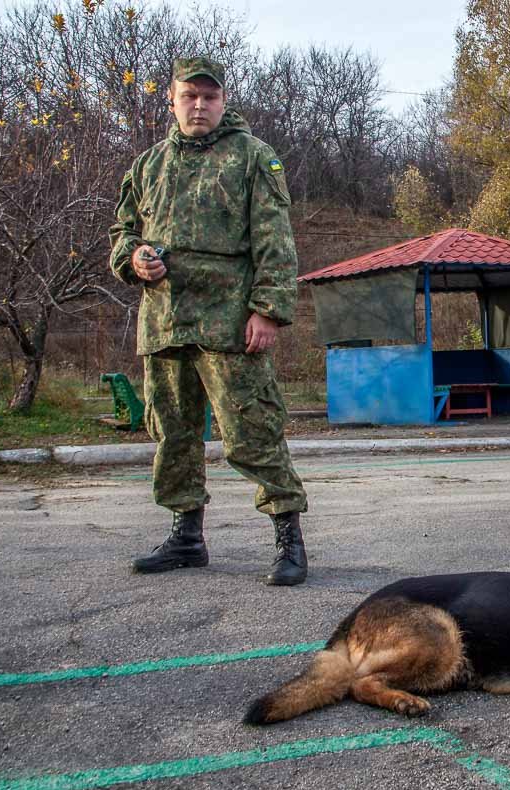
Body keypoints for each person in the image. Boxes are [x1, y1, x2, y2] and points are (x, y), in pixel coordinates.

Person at [108, 57, 309, 586]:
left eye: (209, 97)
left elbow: (275, 241)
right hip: (166, 320)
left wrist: (268, 310)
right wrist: (133, 259)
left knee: (252, 431)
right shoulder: (147, 166)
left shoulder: (252, 157)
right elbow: (122, 234)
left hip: (229, 323)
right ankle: (186, 536)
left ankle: (288, 538)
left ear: (223, 101)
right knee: (172, 434)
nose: (199, 105)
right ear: (172, 101)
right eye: (189, 96)